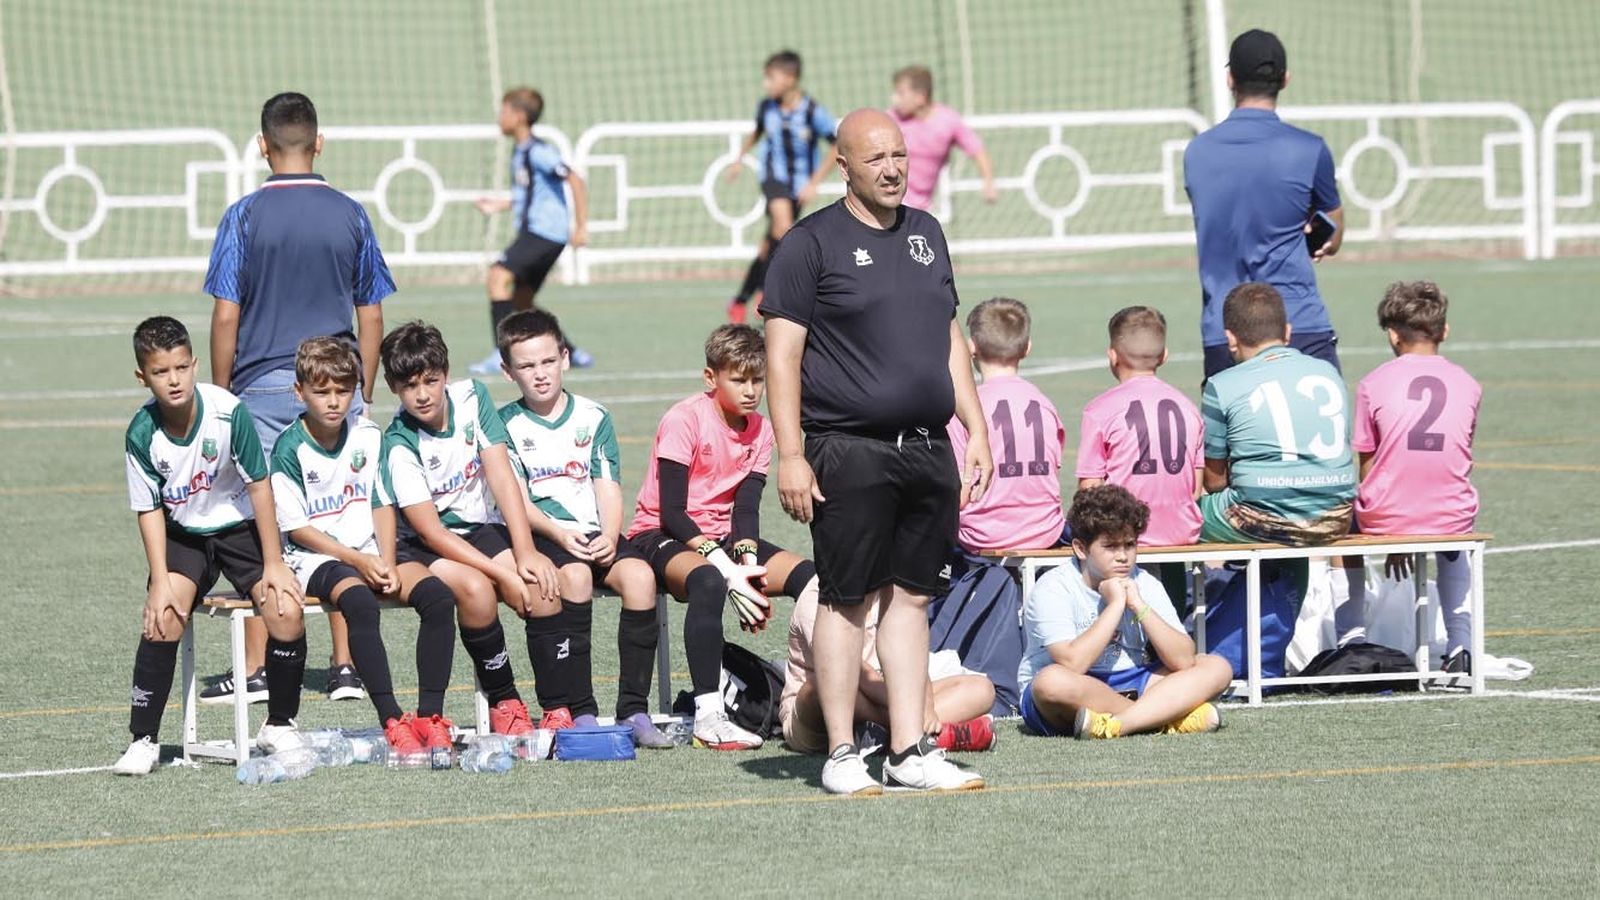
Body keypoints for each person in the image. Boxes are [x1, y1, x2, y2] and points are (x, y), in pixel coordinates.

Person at [764, 107, 991, 795]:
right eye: (876, 159)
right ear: (845, 166)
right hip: (847, 452)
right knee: (845, 601)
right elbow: (782, 357)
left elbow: (949, 338)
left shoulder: (927, 233)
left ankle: (909, 749)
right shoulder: (810, 246)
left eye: (899, 156)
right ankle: (839, 753)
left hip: (927, 450)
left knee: (912, 601)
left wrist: (974, 428)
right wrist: (792, 453)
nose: (893, 169)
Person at [202, 91, 394, 706]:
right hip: (336, 385)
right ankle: (346, 666)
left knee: (266, 532)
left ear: (262, 145)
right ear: (320, 141)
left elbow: (226, 314)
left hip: (259, 389)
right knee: (347, 519)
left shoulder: (244, 216)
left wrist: (224, 393)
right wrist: (359, 390)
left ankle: (257, 669)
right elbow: (371, 311)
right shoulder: (350, 213)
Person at [113, 317, 305, 776]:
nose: (174, 380)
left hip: (240, 529)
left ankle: (279, 724)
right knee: (163, 618)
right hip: (184, 536)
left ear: (194, 364)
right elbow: (150, 511)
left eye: (181, 367)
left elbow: (260, 485)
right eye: (161, 372)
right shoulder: (142, 433)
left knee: (285, 608)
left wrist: (274, 562)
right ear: (143, 377)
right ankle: (144, 739)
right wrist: (159, 581)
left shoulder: (226, 411)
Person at [624, 325, 821, 751]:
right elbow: (672, 512)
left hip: (723, 538)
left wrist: (747, 565)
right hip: (659, 533)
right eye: (739, 379)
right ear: (711, 379)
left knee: (810, 577)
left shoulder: (764, 430)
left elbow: (746, 508)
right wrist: (728, 570)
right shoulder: (684, 419)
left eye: (758, 379)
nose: (751, 390)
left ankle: (807, 692)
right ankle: (708, 716)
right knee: (709, 582)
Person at [270, 337, 461, 755]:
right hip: (317, 557)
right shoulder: (288, 447)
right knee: (359, 603)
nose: (334, 402)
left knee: (437, 598)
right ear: (299, 392)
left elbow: (381, 502)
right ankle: (392, 719)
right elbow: (299, 529)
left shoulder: (368, 435)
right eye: (322, 392)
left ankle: (430, 716)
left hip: (372, 550)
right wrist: (359, 559)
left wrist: (387, 561)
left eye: (343, 391)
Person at [378, 320, 568, 737]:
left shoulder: (471, 396)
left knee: (540, 585)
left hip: (480, 526)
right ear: (394, 388)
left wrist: (524, 553)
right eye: (410, 386)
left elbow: (501, 478)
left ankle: (557, 708)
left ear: (445, 373)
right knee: (477, 590)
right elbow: (431, 532)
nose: (423, 394)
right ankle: (506, 703)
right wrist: (501, 574)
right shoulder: (398, 444)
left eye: (431, 380)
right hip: (426, 544)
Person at [495, 309, 673, 748]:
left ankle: (635, 710)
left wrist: (611, 537)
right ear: (507, 372)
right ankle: (581, 710)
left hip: (595, 533)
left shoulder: (594, 417)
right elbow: (514, 499)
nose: (540, 374)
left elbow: (608, 486)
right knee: (572, 578)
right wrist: (560, 535)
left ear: (565, 358)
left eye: (548, 362)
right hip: (546, 535)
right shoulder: (503, 425)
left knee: (640, 577)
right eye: (526, 366)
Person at [1183, 29, 1345, 380]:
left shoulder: (1197, 152)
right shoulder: (1309, 149)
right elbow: (1334, 231)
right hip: (1298, 321)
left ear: (1230, 79)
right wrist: (1318, 237)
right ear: (1285, 79)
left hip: (1226, 331)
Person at [1340, 281, 1481, 674]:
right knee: (1456, 525)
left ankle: (1350, 637)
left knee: (1343, 533)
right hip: (1449, 512)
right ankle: (1461, 644)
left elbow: (1366, 465)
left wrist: (1391, 530)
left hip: (1388, 513)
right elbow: (1459, 455)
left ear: (1391, 333)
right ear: (1444, 331)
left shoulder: (1373, 383)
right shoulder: (1469, 384)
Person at [1017, 484, 1231, 740]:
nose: (1123, 557)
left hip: (1133, 680)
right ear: (1080, 549)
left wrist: (1138, 605)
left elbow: (1184, 659)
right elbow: (1073, 663)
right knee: (1050, 683)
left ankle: (1118, 724)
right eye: (1110, 547)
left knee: (1216, 667)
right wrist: (1116, 605)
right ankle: (1164, 718)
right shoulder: (1053, 586)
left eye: (1129, 545)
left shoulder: (1145, 582)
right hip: (1077, 686)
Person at [1199, 282, 1356, 548]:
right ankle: (1296, 589)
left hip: (1260, 520)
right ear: (1287, 332)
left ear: (1231, 339)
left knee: (1175, 519)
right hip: (1336, 515)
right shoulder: (1327, 371)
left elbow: (1214, 482)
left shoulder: (1221, 384)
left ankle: (1180, 591)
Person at [1076, 306, 1204, 607]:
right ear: (1164, 356)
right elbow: (1195, 490)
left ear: (1112, 355)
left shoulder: (1100, 409)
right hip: (1180, 531)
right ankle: (1172, 618)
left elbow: (1089, 490)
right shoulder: (1189, 408)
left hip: (1125, 535)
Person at [781, 588, 997, 756]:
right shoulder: (816, 595)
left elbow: (912, 653)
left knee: (982, 689)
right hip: (820, 716)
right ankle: (930, 735)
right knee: (820, 687)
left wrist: (927, 697)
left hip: (887, 692)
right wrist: (916, 706)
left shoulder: (892, 590)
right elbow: (858, 673)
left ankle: (886, 737)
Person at [469, 87, 592, 374]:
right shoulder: (521, 152)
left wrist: (582, 227)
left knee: (497, 278)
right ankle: (571, 352)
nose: (500, 117)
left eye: (504, 111)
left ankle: (499, 354)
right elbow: (531, 194)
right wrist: (499, 204)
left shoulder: (539, 152)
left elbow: (574, 179)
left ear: (520, 116)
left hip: (543, 234)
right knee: (523, 301)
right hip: (541, 234)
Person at [722, 50, 838, 324]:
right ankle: (774, 295)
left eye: (771, 78)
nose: (766, 84)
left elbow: (836, 146)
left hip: (799, 186)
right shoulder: (767, 107)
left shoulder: (812, 111)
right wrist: (739, 159)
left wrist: (814, 182)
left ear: (790, 78)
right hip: (773, 180)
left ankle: (740, 300)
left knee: (769, 245)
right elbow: (757, 131)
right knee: (785, 229)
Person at [947, 297, 1066, 554]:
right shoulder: (1045, 405)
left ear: (971, 347)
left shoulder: (966, 411)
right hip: (1045, 530)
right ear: (1026, 349)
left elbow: (959, 490)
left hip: (981, 536)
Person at [888, 65, 997, 212]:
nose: (895, 99)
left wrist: (988, 181)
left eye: (901, 93)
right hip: (889, 203)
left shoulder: (947, 121)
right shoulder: (890, 120)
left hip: (919, 208)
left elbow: (977, 149)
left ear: (920, 96)